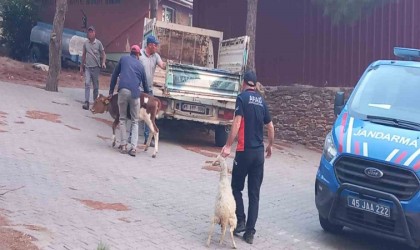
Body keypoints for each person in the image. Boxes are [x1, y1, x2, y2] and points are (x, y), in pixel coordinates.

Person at [221, 71, 275, 244]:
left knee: (236, 187)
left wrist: (228, 145)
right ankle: (250, 233)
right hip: (259, 154)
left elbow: (237, 123)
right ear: (255, 84)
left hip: (244, 152)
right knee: (254, 193)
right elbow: (271, 127)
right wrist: (270, 146)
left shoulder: (242, 98)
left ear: (244, 83)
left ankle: (241, 221)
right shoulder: (262, 101)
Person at [109, 45, 149, 157]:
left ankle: (123, 145)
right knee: (135, 121)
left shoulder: (123, 59)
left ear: (130, 52)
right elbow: (145, 85)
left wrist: (111, 91)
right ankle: (134, 148)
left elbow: (114, 75)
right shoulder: (141, 66)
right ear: (138, 55)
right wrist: (148, 97)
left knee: (122, 118)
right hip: (135, 93)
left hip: (123, 91)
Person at [139, 35, 166, 145]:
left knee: (149, 115)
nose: (156, 47)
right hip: (139, 89)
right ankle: (132, 136)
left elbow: (162, 65)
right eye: (155, 45)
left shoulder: (156, 56)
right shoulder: (139, 55)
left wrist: (167, 65)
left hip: (148, 90)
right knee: (135, 112)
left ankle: (147, 139)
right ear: (149, 45)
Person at [80, 26, 106, 110]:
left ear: (94, 33)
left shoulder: (98, 43)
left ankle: (95, 102)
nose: (90, 34)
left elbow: (104, 55)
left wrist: (103, 62)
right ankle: (86, 102)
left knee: (95, 86)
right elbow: (83, 55)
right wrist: (81, 67)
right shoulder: (86, 44)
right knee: (87, 83)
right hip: (87, 67)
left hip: (96, 68)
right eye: (89, 32)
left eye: (92, 32)